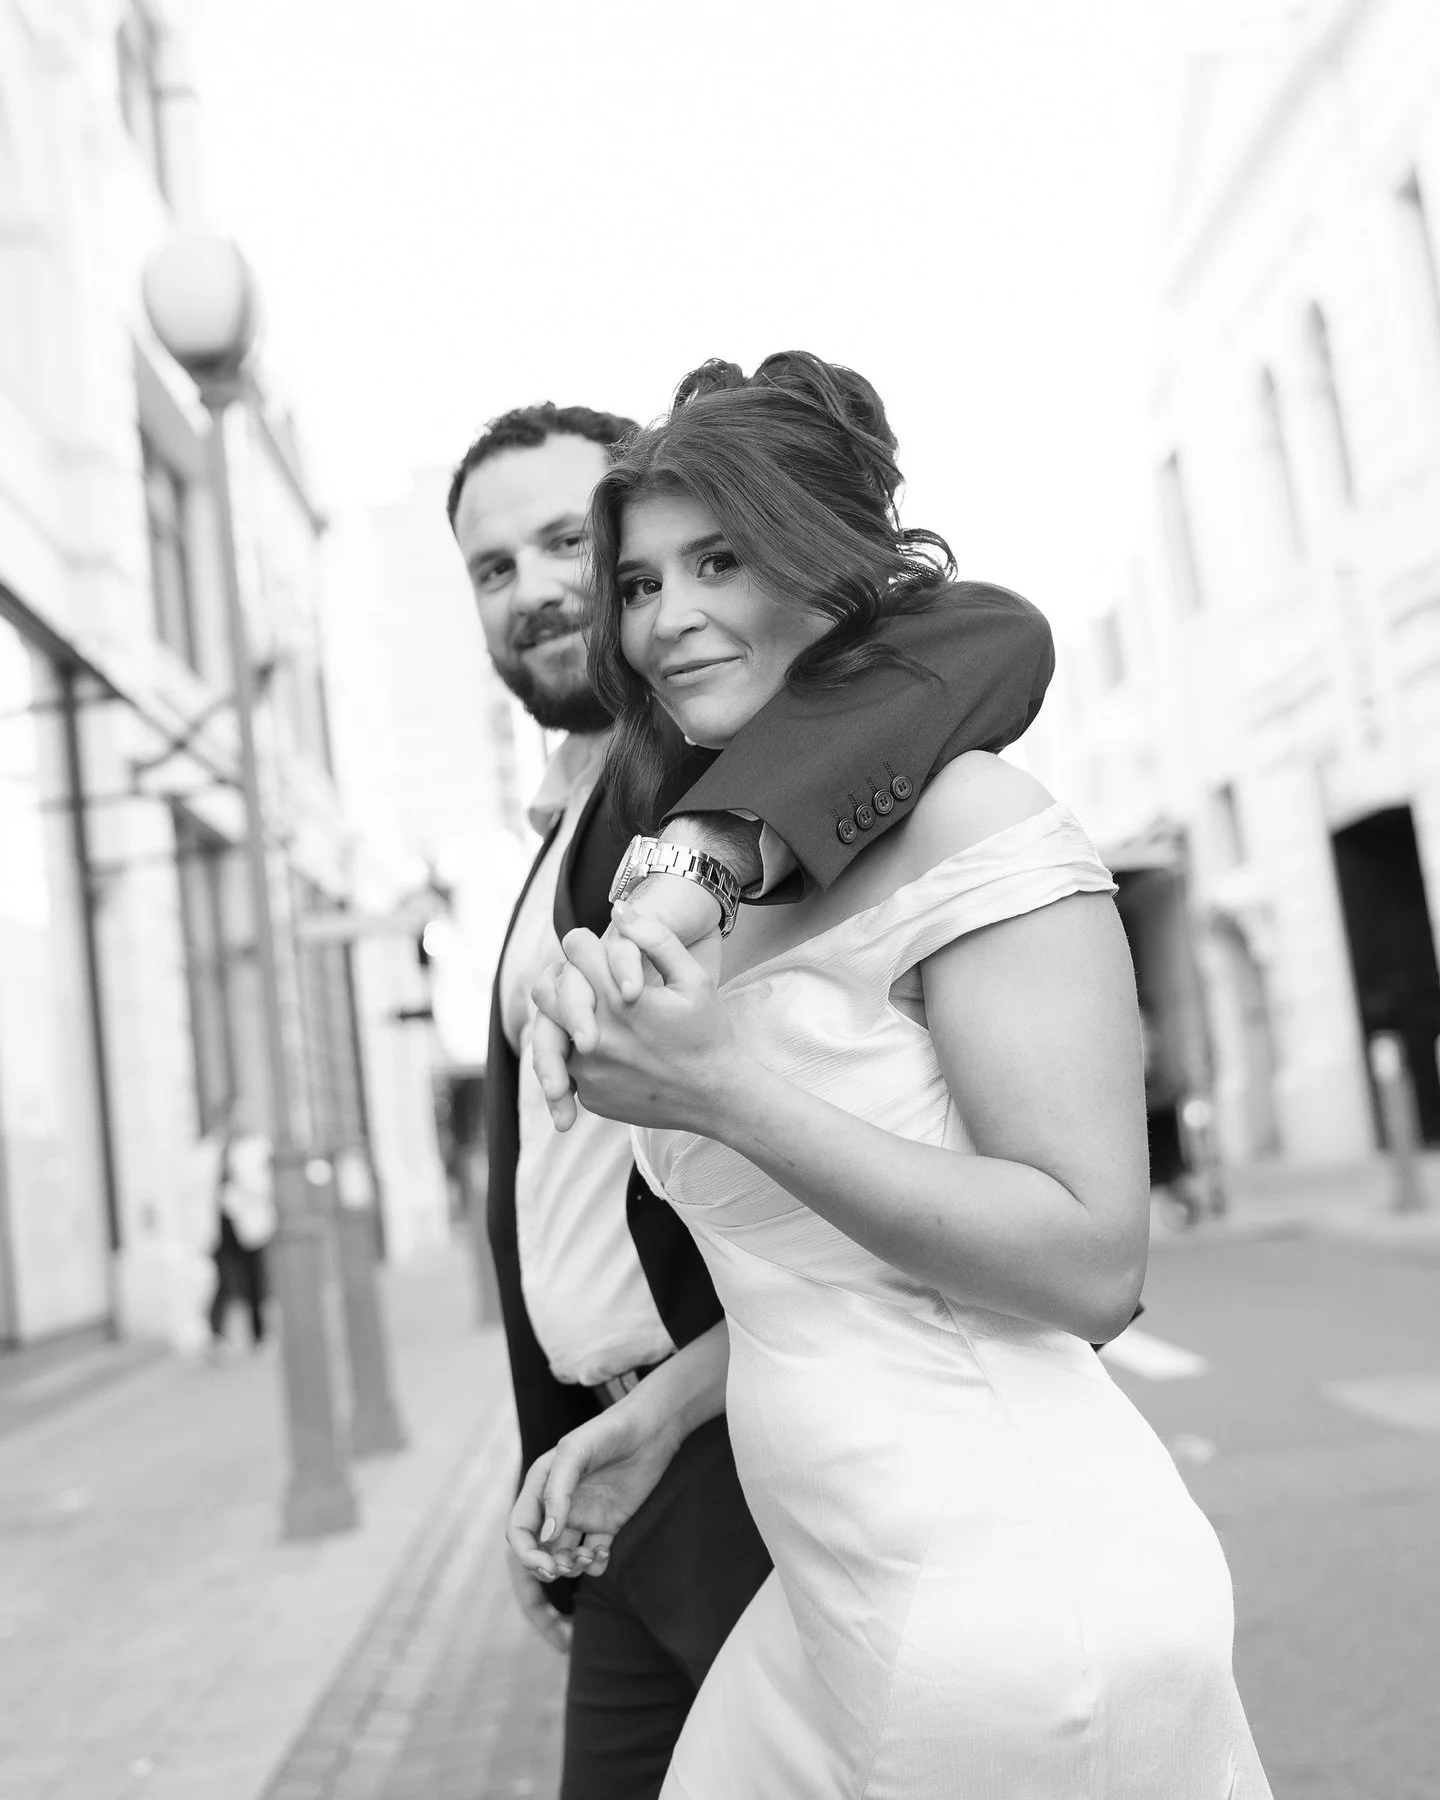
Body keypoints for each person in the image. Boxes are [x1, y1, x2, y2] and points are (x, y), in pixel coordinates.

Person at [513, 353, 1273, 1798]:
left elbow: (1089, 1260)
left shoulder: (977, 819)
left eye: (719, 561)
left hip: (1011, 1606)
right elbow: (835, 1272)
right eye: (642, 582)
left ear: (820, 567)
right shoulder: (720, 865)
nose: (668, 616)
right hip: (830, 1601)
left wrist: (729, 1093)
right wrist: (658, 1416)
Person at [446, 397, 1055, 1800]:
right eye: (494, 568)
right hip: (624, 1461)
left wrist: (694, 857)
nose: (543, 589)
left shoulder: (746, 764)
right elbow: (552, 1200)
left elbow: (987, 634)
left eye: (566, 544)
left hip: (754, 1446)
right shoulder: (552, 843)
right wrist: (556, 1460)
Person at [204, 1097, 275, 1351]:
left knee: (254, 1278)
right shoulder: (213, 1147)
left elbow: (264, 1186)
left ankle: (259, 1336)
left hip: (248, 1221)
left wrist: (240, 1186)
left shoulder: (257, 1147)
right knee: (222, 1278)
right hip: (221, 1224)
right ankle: (217, 1336)